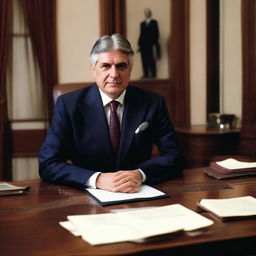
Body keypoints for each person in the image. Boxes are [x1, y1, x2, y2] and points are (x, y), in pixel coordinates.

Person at [39, 33, 183, 193]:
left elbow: (175, 156)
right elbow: (48, 164)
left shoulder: (153, 103)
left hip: (137, 193)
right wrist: (97, 179)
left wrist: (140, 174)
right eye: (106, 66)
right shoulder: (68, 105)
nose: (114, 74)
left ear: (130, 69)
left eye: (121, 66)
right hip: (86, 198)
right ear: (94, 70)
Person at [138, 8, 160, 78]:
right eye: (145, 13)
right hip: (143, 45)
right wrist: (139, 44)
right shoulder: (142, 24)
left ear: (150, 13)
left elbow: (157, 33)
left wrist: (155, 43)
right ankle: (146, 74)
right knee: (144, 59)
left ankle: (153, 74)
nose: (146, 14)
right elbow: (141, 34)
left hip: (151, 44)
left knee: (151, 59)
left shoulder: (154, 22)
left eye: (148, 12)